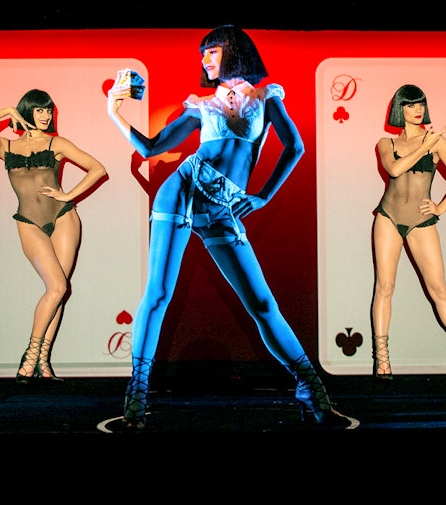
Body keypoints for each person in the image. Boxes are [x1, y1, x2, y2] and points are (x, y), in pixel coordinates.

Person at [106, 24, 350, 429]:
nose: (205, 60)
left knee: (262, 304)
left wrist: (265, 196)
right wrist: (114, 113)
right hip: (181, 191)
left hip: (222, 204)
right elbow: (151, 148)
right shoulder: (201, 105)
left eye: (212, 51)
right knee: (158, 294)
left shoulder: (266, 97)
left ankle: (312, 389)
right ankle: (137, 395)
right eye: (202, 54)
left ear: (234, 52)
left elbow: (295, 147)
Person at [0, 89, 107, 383]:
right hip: (29, 221)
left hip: (62, 218)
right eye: (40, 110)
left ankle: (36, 360)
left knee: (58, 290)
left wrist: (69, 193)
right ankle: (36, 358)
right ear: (27, 111)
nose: (46, 116)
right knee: (56, 287)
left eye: (49, 111)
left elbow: (98, 169)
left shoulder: (57, 143)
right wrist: (7, 110)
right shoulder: (5, 146)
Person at [369, 84, 446, 380]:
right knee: (385, 287)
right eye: (410, 105)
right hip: (388, 217)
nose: (417, 109)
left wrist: (441, 207)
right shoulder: (386, 143)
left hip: (420, 222)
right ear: (400, 109)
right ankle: (382, 361)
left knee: (439, 290)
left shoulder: (437, 142)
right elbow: (394, 170)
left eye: (421, 103)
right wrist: (425, 146)